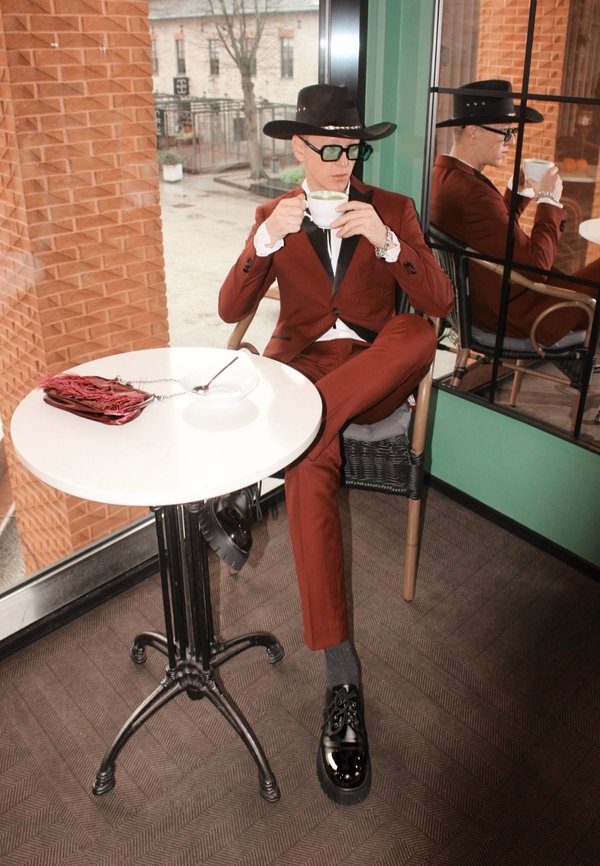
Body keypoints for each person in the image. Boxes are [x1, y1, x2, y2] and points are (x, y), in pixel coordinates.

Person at [204, 83, 453, 806]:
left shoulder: (393, 210)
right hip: (301, 368)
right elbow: (228, 308)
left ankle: (260, 471)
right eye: (329, 150)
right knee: (312, 463)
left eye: (353, 150)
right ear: (298, 148)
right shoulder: (272, 216)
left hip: (372, 371)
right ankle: (342, 679)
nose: (343, 164)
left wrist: (389, 243)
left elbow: (439, 303)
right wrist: (263, 242)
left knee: (418, 332)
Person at [431, 79, 599, 347]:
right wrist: (548, 200)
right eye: (506, 132)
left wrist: (516, 193)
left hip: (481, 305)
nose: (512, 141)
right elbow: (535, 268)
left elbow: (491, 238)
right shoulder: (473, 193)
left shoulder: (442, 175)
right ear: (472, 131)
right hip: (514, 316)